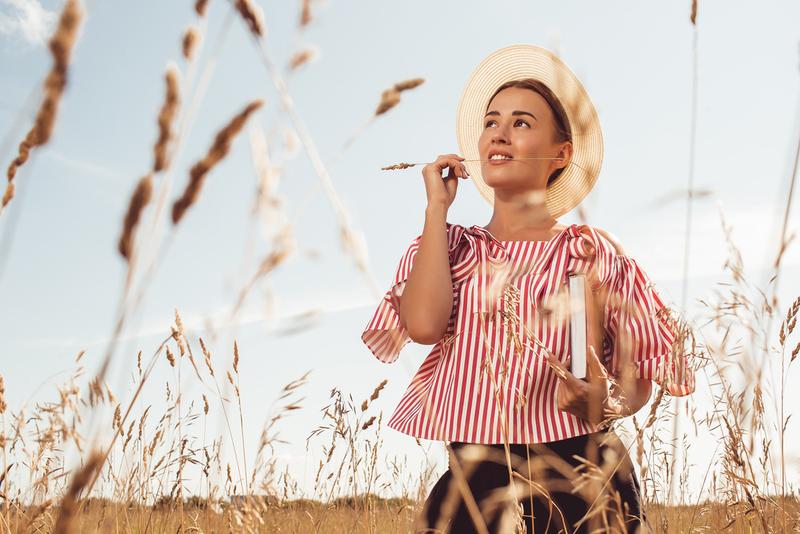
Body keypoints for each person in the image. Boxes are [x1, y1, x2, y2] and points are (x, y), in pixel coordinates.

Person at [361, 44, 695, 533]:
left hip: (581, 472)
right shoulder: (451, 246)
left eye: (521, 122)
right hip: (473, 479)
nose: (499, 131)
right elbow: (424, 326)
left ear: (561, 153)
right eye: (492, 121)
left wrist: (607, 400)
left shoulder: (590, 252)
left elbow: (640, 375)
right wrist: (437, 211)